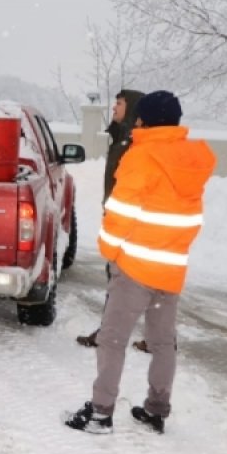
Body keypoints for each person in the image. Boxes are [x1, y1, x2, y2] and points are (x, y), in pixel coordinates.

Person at [65, 90, 215, 435]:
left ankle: (101, 413)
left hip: (135, 267)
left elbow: (121, 213)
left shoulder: (141, 156)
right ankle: (156, 409)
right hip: (171, 267)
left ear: (144, 119)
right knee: (163, 342)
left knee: (112, 340)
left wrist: (110, 250)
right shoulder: (192, 160)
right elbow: (188, 217)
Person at [76, 88, 144, 349]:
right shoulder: (121, 139)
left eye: (119, 103)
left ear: (133, 109)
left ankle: (109, 334)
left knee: (124, 280)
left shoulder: (134, 144)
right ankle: (157, 339)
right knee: (135, 281)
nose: (113, 107)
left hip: (130, 223)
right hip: (120, 219)